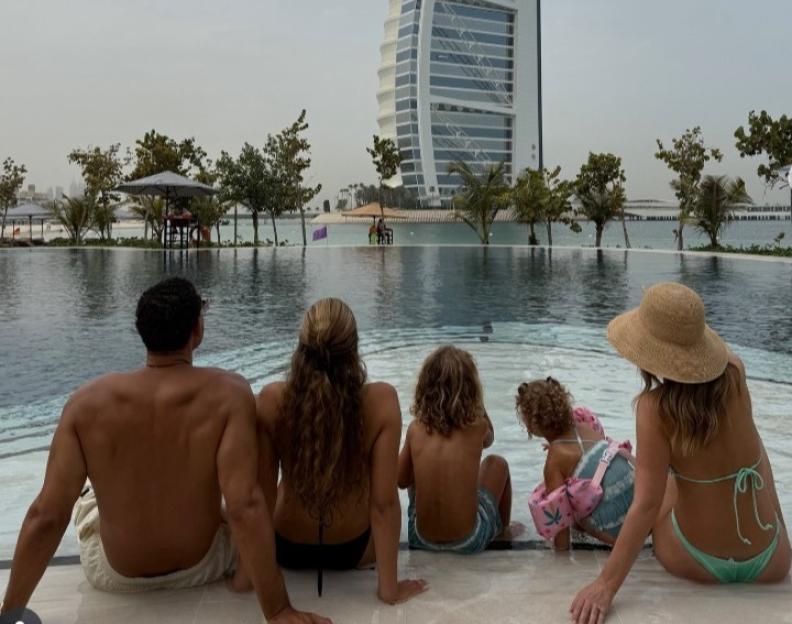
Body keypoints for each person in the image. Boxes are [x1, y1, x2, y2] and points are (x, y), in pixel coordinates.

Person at [0, 278, 328, 624]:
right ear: (197, 330)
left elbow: (47, 515)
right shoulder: (229, 394)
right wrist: (278, 609)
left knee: (87, 498)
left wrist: (8, 614)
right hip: (201, 566)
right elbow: (244, 504)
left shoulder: (86, 403)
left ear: (142, 332)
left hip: (113, 574)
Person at [571, 283, 791, 624]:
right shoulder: (735, 374)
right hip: (770, 561)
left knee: (664, 487)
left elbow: (645, 506)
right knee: (742, 456)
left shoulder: (653, 408)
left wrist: (605, 585)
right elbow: (760, 463)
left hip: (698, 563)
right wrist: (783, 538)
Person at [238, 298, 426, 604]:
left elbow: (262, 496)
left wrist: (246, 576)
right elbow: (384, 505)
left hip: (285, 544)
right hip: (352, 548)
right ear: (354, 348)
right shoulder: (381, 402)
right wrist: (389, 590)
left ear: (301, 347)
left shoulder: (273, 400)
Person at [398, 346, 512, 554]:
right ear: (472, 390)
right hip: (469, 541)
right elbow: (490, 440)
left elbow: (401, 480)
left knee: (416, 464)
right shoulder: (478, 427)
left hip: (421, 539)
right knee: (497, 463)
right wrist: (478, 405)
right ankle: (503, 529)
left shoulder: (416, 429)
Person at [516, 378, 634, 550]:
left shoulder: (556, 459)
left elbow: (559, 522)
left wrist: (561, 557)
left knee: (568, 503)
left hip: (619, 533)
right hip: (642, 517)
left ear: (532, 424)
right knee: (585, 485)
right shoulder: (587, 428)